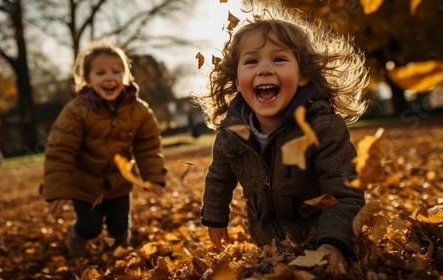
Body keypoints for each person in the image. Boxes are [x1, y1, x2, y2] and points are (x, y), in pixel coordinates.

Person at [192, 2, 369, 273]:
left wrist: (333, 243)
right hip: (268, 242)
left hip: (320, 238)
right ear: (239, 81)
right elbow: (218, 179)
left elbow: (345, 193)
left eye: (279, 59)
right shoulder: (231, 134)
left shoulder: (323, 127)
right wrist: (215, 219)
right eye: (251, 61)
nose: (264, 69)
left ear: (302, 75)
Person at [43, 41, 166, 257]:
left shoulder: (139, 110)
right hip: (85, 185)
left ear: (125, 77)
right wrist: (57, 190)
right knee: (90, 228)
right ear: (87, 79)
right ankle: (76, 235)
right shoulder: (76, 110)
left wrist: (153, 176)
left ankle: (120, 254)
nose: (109, 77)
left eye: (116, 71)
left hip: (119, 182)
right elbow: (60, 150)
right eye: (100, 73)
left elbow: (148, 145)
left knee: (119, 226)